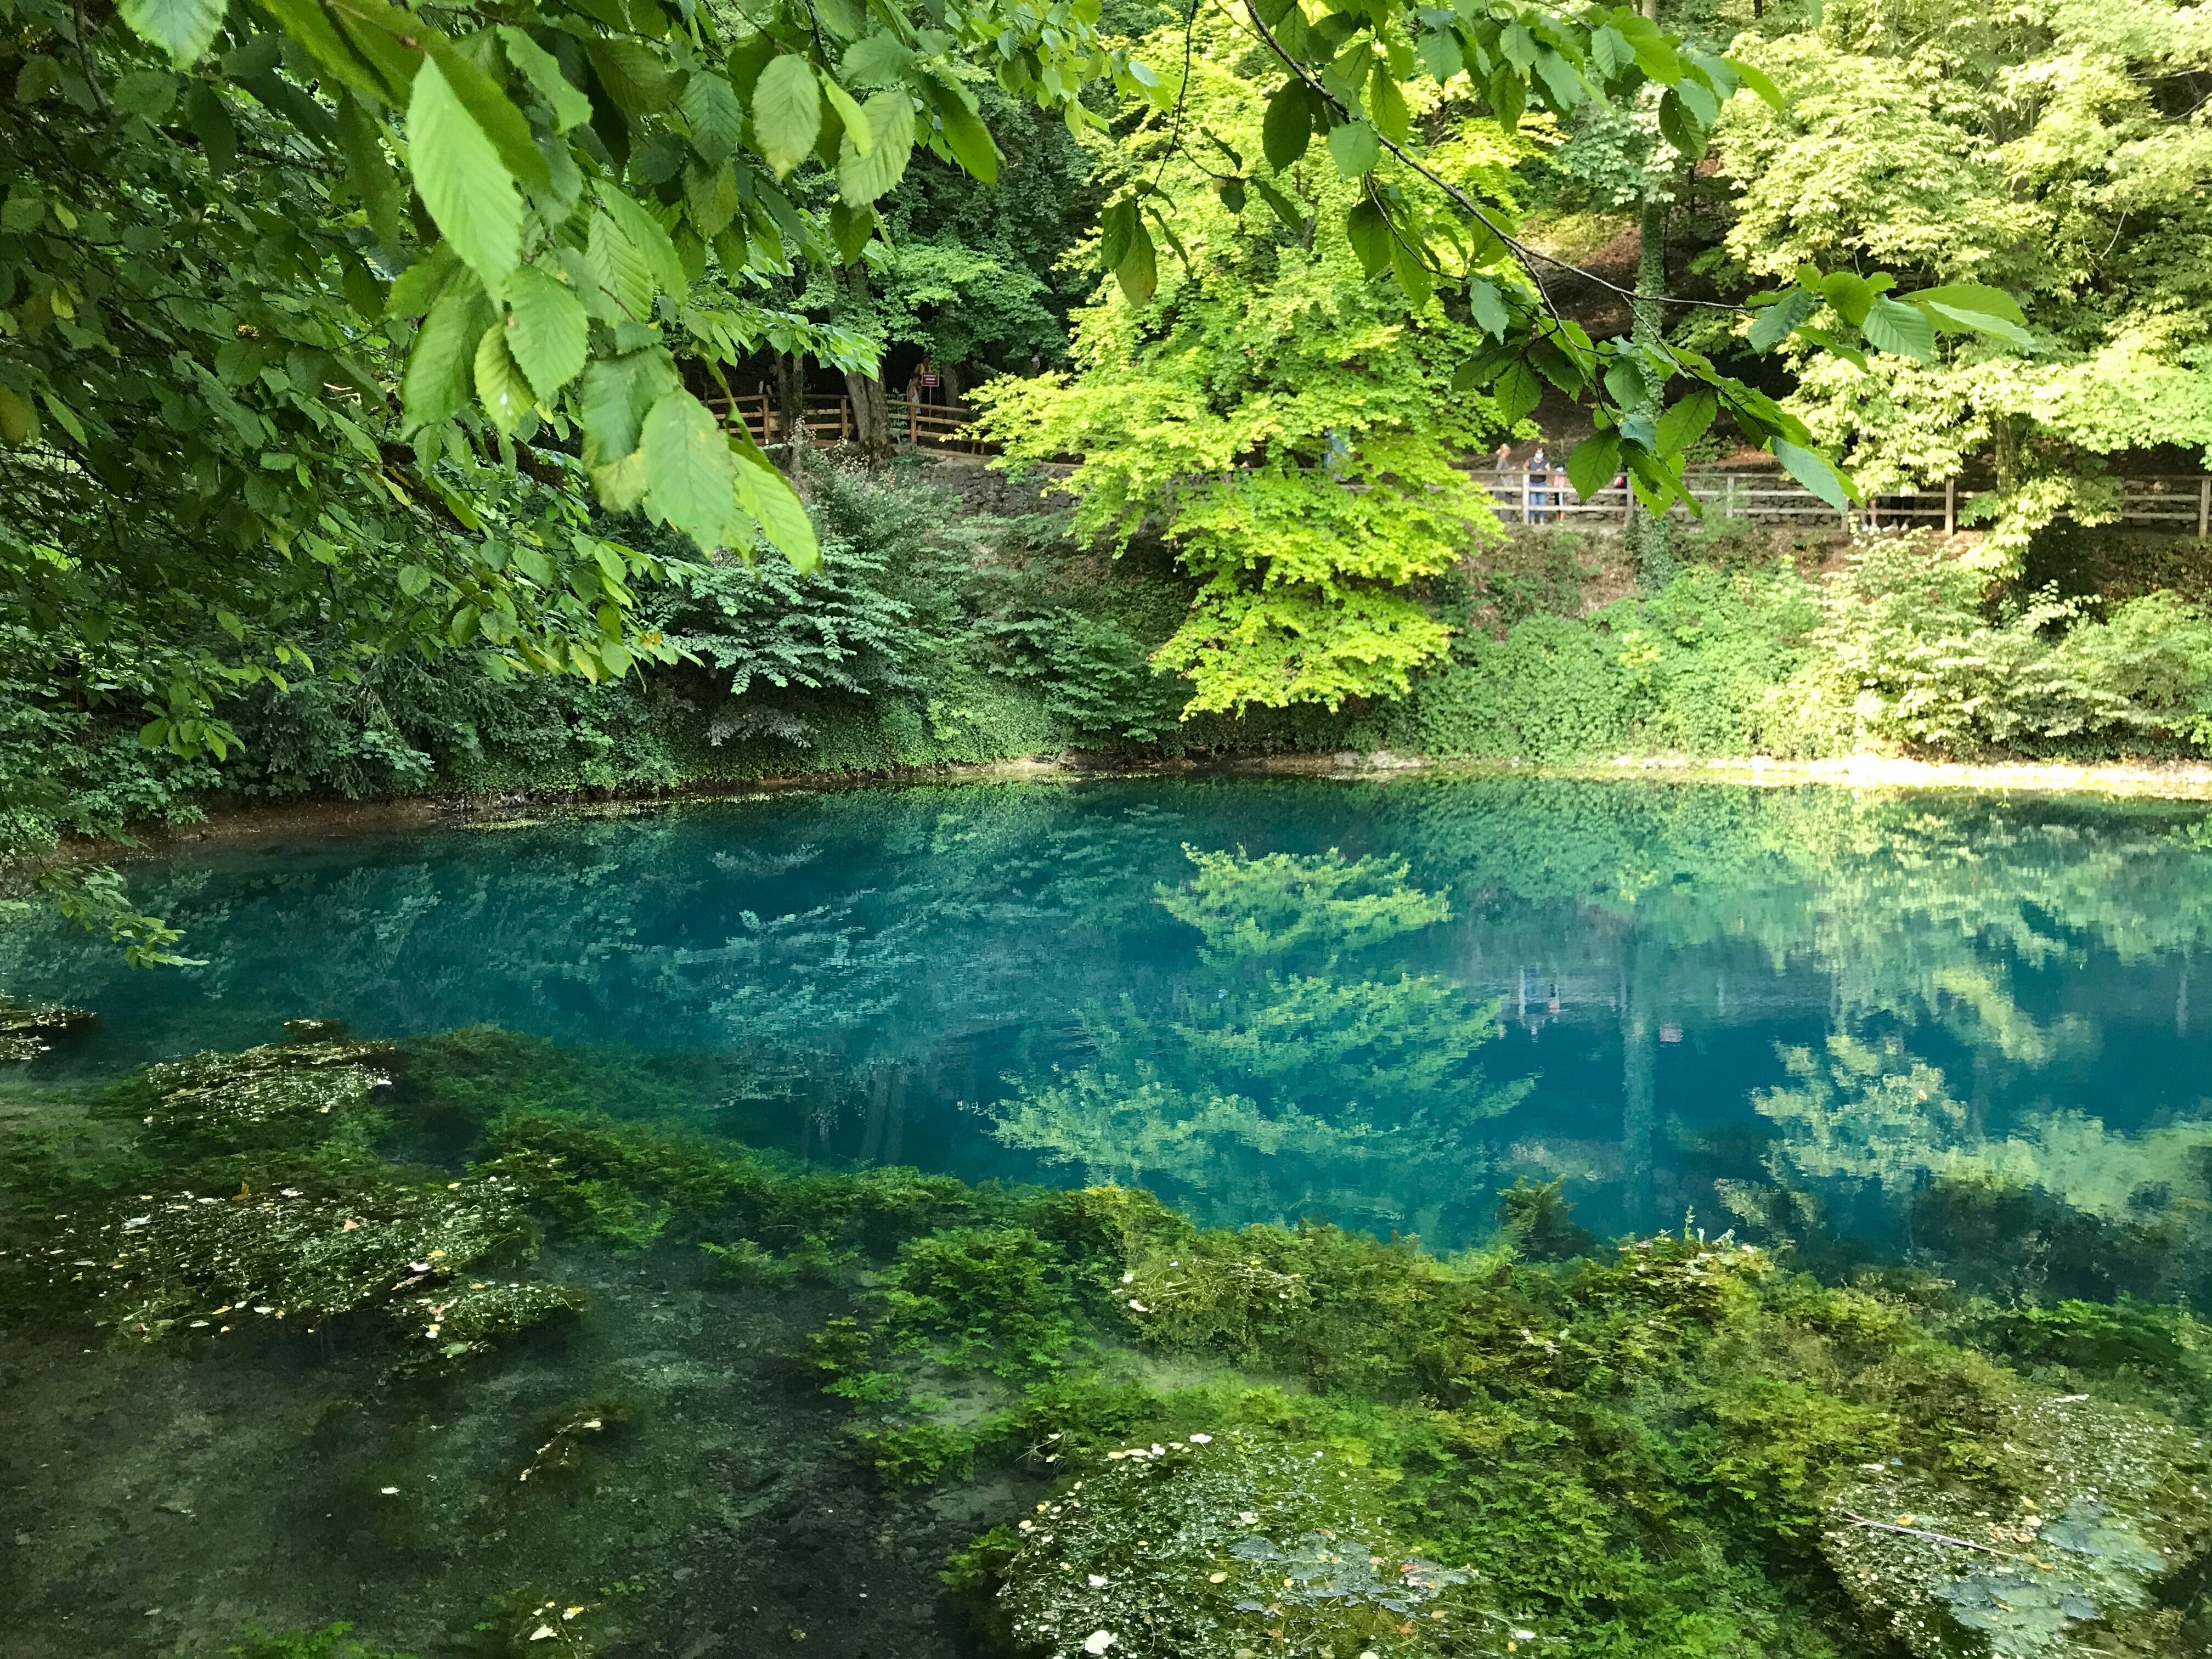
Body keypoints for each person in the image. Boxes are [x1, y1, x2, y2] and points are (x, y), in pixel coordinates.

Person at [1525, 445, 1551, 523]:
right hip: (1532, 483)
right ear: (1535, 453)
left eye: (1541, 453)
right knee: (1532, 503)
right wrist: (1530, 472)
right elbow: (1525, 467)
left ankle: (1541, 521)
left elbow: (1549, 470)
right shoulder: (1530, 460)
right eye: (1538, 453)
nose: (1539, 454)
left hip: (1541, 484)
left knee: (1542, 502)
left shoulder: (1545, 462)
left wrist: (1543, 471)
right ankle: (1532, 521)